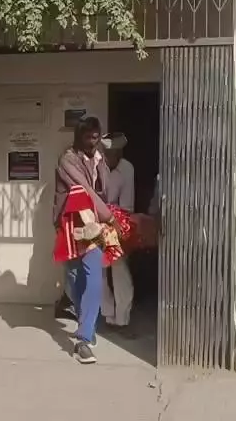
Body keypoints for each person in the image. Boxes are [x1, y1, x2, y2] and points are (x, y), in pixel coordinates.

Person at [53, 116, 116, 364]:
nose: (92, 142)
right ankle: (85, 323)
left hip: (93, 226)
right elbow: (85, 191)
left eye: (96, 137)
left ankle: (84, 338)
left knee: (94, 276)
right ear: (79, 137)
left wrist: (101, 162)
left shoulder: (99, 158)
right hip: (71, 226)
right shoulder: (68, 159)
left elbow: (104, 188)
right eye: (88, 137)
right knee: (75, 278)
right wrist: (109, 216)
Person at [100, 133, 136, 337]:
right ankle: (107, 314)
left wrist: (120, 228)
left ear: (120, 153)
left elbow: (127, 205)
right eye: (106, 153)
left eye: (113, 153)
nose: (109, 157)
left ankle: (122, 319)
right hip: (96, 219)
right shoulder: (97, 166)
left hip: (116, 219)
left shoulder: (127, 169)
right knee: (98, 270)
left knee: (119, 268)